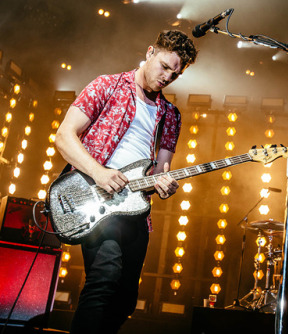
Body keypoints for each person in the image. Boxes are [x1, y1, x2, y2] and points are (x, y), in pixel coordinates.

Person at [54, 30, 198, 333]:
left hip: (135, 209)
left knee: (125, 300)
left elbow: (162, 168)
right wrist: (99, 172)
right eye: (164, 66)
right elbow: (64, 136)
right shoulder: (106, 85)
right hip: (95, 197)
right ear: (149, 52)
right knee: (104, 279)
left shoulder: (171, 115)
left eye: (176, 73)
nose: (168, 76)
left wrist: (165, 184)